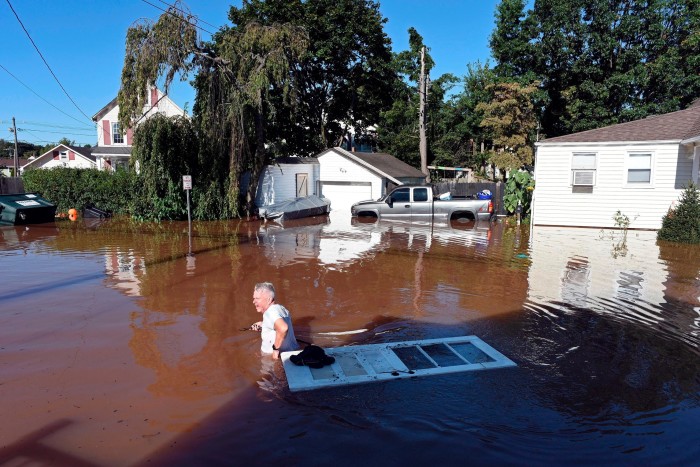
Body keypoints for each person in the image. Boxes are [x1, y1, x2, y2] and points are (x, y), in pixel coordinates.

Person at [251, 282, 298, 359]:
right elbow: (278, 326)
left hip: (274, 359)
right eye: (254, 298)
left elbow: (283, 328)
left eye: (257, 298)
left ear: (269, 300)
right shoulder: (282, 309)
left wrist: (275, 350)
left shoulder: (270, 313)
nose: (254, 301)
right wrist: (263, 325)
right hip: (291, 353)